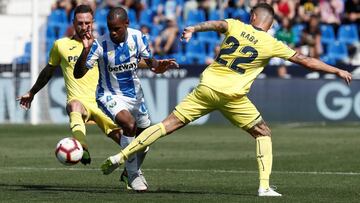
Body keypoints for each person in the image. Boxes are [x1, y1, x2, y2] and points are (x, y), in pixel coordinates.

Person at [100, 3, 352, 196]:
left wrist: (193, 29)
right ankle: (264, 187)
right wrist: (337, 70)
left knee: (167, 124)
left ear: (253, 17)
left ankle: (122, 156)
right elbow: (305, 60)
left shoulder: (235, 25)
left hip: (207, 86)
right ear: (270, 23)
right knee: (263, 133)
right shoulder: (272, 43)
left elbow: (216, 25)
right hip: (233, 96)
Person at [16, 4, 140, 191]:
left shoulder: (103, 45)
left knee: (132, 144)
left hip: (103, 103)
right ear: (73, 22)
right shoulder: (61, 45)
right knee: (73, 105)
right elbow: (48, 71)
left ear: (93, 23)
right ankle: (82, 146)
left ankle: (131, 173)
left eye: (88, 23)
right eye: (80, 23)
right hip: (79, 101)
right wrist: (32, 93)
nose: (84, 27)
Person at [73, 7, 178, 191]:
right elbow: (78, 73)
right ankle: (132, 174)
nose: (113, 33)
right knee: (129, 124)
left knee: (145, 140)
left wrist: (157, 66)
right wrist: (86, 50)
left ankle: (129, 171)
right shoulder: (99, 44)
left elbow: (148, 60)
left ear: (127, 24)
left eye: (117, 29)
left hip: (135, 95)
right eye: (110, 28)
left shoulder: (138, 37)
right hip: (109, 95)